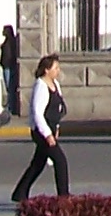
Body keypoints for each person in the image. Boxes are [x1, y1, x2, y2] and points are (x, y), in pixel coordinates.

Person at [11, 54, 69, 203]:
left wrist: (56, 127)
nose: (58, 70)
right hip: (41, 132)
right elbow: (38, 113)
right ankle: (64, 197)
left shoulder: (55, 84)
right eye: (55, 68)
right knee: (60, 161)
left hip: (50, 129)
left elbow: (58, 107)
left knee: (38, 164)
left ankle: (19, 193)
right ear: (46, 70)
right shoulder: (41, 86)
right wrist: (48, 134)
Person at [0, 25, 21, 118]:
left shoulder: (10, 42)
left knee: (10, 88)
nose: (2, 31)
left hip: (8, 67)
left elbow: (8, 56)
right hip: (7, 66)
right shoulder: (10, 41)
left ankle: (11, 107)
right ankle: (11, 106)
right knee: (10, 88)